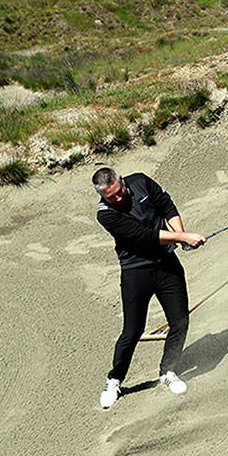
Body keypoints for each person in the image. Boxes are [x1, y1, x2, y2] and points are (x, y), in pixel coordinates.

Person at [92, 166, 206, 409]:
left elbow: (166, 206)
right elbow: (144, 235)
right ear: (102, 196)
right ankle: (114, 380)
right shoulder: (105, 215)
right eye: (111, 197)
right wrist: (183, 238)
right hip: (136, 272)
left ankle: (168, 371)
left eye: (119, 192)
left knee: (180, 321)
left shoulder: (141, 181)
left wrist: (180, 233)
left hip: (166, 265)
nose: (118, 198)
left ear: (122, 181)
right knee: (132, 331)